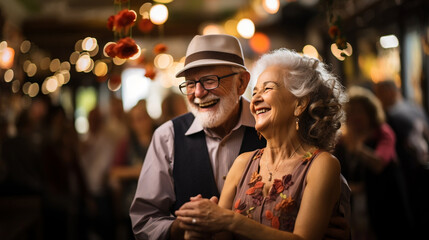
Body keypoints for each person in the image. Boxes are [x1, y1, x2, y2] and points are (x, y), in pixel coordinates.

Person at [129, 34, 350, 240]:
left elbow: (334, 202)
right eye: (189, 83)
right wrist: (186, 225)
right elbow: (144, 220)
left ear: (241, 83)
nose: (197, 93)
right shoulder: (168, 136)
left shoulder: (275, 124)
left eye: (209, 80)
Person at [335, 86, 413, 240]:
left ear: (370, 113)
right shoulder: (342, 139)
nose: (355, 116)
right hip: (355, 211)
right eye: (351, 111)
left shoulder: (383, 133)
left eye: (360, 111)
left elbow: (379, 164)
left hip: (386, 208)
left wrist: (358, 148)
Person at [374, 80, 429, 238]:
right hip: (422, 169)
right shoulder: (414, 108)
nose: (377, 98)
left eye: (379, 93)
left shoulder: (391, 116)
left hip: (408, 173)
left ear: (390, 92)